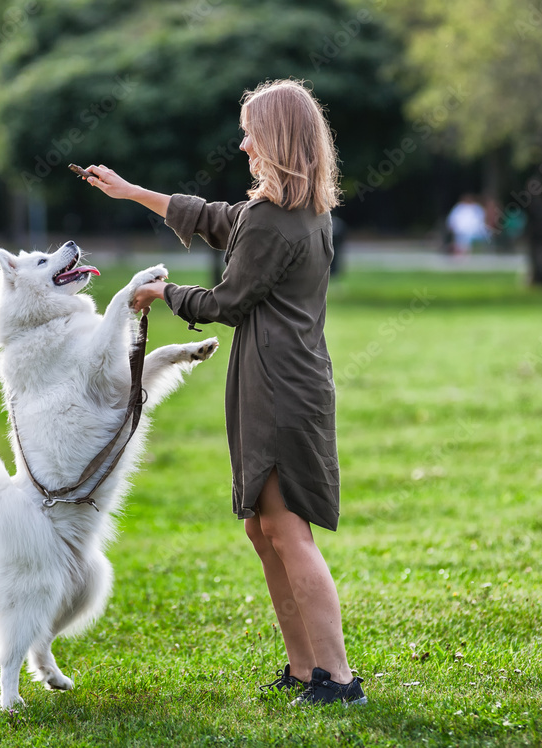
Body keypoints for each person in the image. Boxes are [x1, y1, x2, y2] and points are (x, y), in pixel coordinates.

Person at [81, 79, 366, 707]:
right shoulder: (300, 214)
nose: (242, 145)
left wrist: (162, 294)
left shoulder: (274, 220)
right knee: (266, 532)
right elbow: (216, 219)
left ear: (278, 140)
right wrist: (132, 192)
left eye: (251, 133)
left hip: (279, 388)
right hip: (288, 381)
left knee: (288, 531)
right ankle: (303, 670)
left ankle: (338, 678)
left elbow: (229, 303)